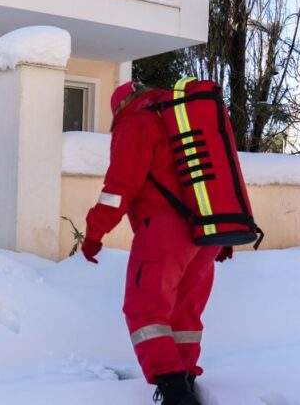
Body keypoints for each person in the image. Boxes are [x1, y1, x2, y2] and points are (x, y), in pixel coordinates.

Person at [80, 81, 231, 405]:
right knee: (185, 312)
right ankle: (185, 378)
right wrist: (224, 230)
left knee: (145, 309)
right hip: (207, 228)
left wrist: (94, 234)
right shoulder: (184, 120)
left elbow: (118, 189)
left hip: (164, 231)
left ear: (119, 108)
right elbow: (220, 174)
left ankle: (175, 391)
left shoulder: (136, 124)